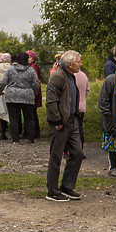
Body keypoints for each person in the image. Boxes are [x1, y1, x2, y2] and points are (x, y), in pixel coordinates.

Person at [45, 51, 84, 201]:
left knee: (78, 153)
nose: (80, 64)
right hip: (60, 124)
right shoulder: (58, 76)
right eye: (78, 62)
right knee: (56, 156)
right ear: (70, 64)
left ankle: (67, 186)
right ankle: (52, 191)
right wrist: (57, 121)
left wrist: (77, 113)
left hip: (72, 121)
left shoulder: (71, 76)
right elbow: (51, 100)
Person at [0, 51, 40, 144]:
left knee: (13, 118)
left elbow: (3, 81)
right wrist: (34, 92)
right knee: (29, 118)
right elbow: (36, 83)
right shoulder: (31, 70)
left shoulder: (10, 69)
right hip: (27, 95)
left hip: (12, 95)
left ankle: (15, 138)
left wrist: (0, 91)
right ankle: (30, 137)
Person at [27, 50, 43, 139]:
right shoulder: (31, 66)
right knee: (32, 112)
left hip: (34, 91)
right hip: (33, 90)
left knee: (32, 112)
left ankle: (35, 132)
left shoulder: (34, 67)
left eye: (29, 57)